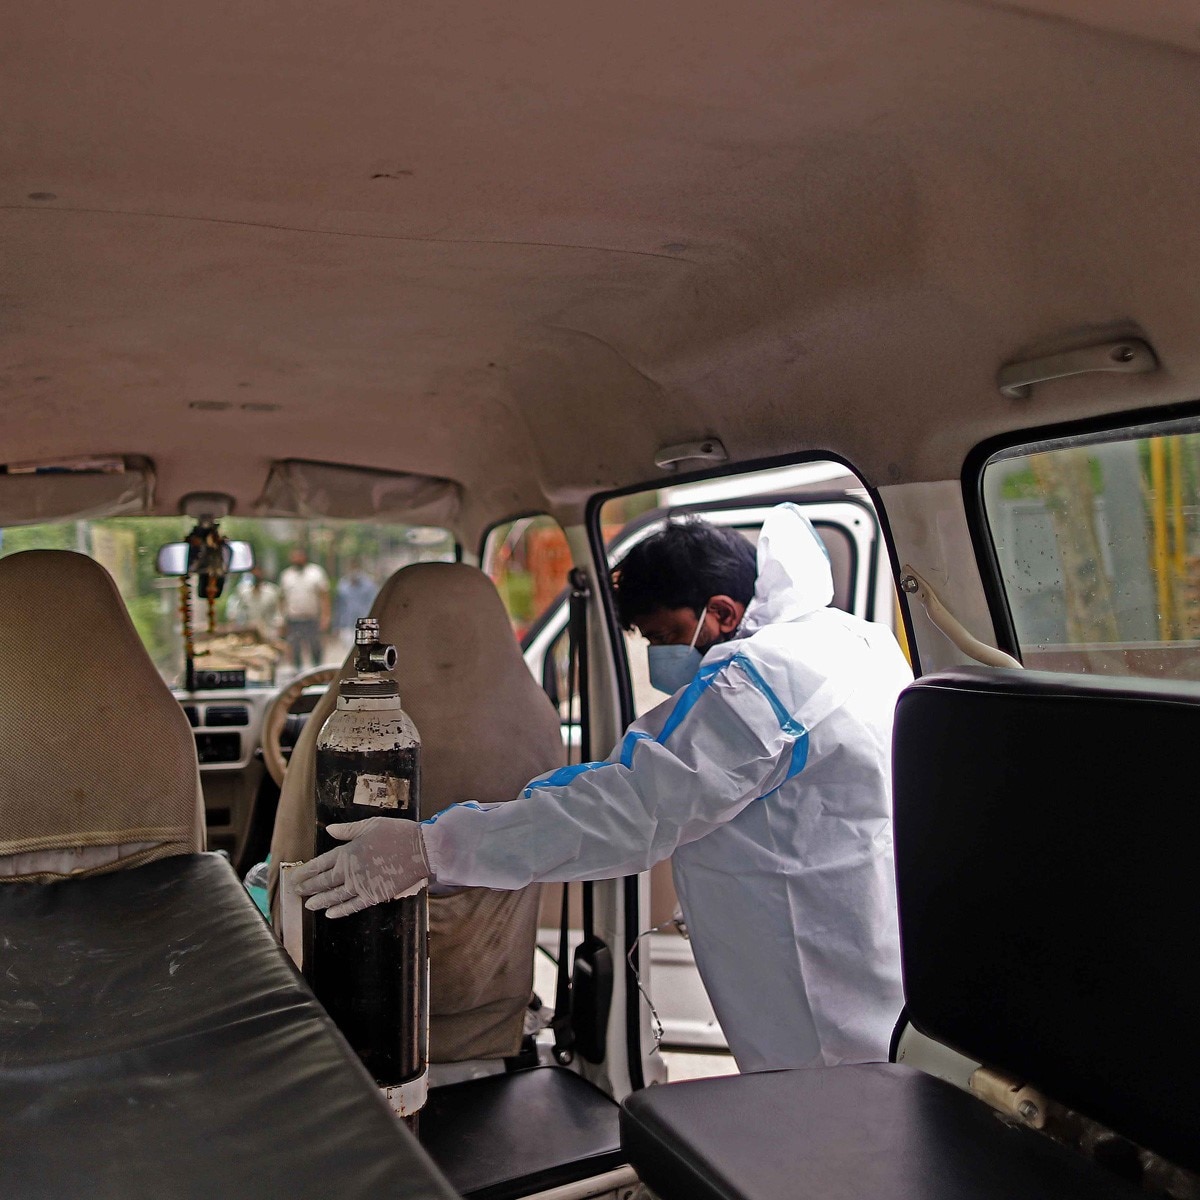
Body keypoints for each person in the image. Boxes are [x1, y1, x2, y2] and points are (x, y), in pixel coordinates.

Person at [294, 504, 913, 1072]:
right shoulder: (851, 640)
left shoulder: (760, 683)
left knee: (834, 1138)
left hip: (820, 989)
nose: (662, 658)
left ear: (722, 612)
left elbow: (632, 807)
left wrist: (431, 849)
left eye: (667, 636)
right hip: (878, 944)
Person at [279, 547, 330, 671]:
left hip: (311, 619)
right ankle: (297, 674)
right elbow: (282, 599)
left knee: (315, 648)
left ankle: (317, 673)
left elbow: (324, 596)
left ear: (304, 557)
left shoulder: (316, 573)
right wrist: (281, 619)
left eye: (298, 556)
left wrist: (326, 617)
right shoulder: (286, 575)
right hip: (294, 619)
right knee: (295, 649)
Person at [225, 566, 284, 641]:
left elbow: (277, 612)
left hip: (268, 632)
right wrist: (233, 623)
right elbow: (234, 609)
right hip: (247, 632)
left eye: (258, 572)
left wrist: (279, 625)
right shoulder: (243, 591)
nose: (256, 574)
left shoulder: (271, 592)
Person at [333, 560, 377, 635]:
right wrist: (336, 625)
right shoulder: (342, 586)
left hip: (364, 625)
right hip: (347, 625)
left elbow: (375, 605)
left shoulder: (369, 586)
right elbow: (338, 607)